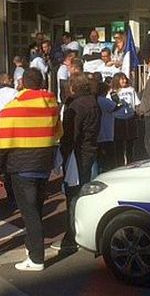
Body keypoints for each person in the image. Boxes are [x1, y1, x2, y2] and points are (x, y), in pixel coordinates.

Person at [0, 68, 61, 271]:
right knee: (37, 209)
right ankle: (31, 247)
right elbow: (58, 133)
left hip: (21, 167)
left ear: (22, 82)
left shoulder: (10, 109)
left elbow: (2, 144)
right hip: (43, 164)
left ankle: (37, 258)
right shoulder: (52, 105)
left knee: (29, 214)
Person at [55, 73, 100, 254]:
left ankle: (72, 235)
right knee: (84, 190)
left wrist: (63, 153)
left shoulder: (76, 106)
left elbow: (70, 134)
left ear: (73, 87)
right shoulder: (93, 102)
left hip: (76, 153)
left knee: (73, 195)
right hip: (90, 149)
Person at [110, 73, 140, 166]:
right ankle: (120, 164)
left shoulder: (131, 90)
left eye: (125, 79)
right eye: (121, 79)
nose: (124, 81)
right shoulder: (112, 92)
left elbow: (136, 103)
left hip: (130, 118)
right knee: (119, 144)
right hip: (118, 119)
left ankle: (130, 163)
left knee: (130, 144)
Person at [96, 81, 117, 173]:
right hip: (107, 133)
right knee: (108, 159)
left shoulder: (95, 100)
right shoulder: (104, 101)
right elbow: (117, 106)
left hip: (98, 133)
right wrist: (116, 98)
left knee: (99, 159)